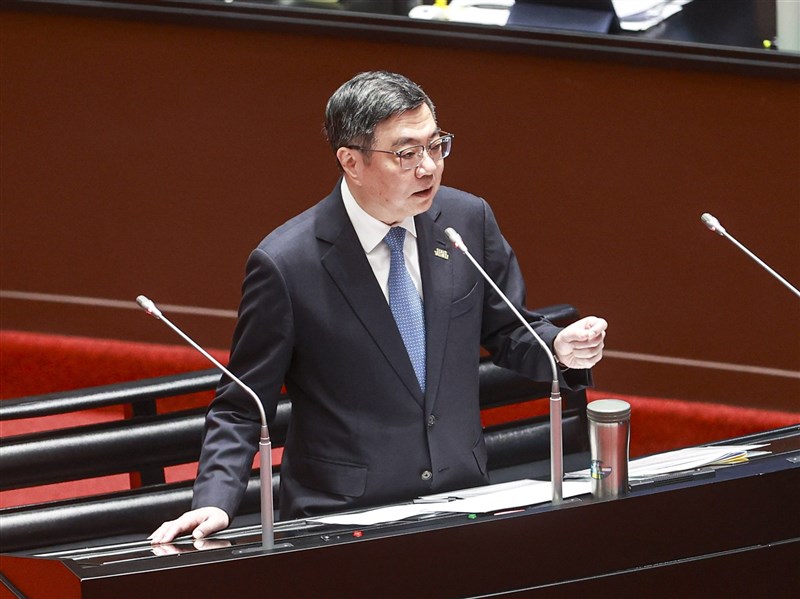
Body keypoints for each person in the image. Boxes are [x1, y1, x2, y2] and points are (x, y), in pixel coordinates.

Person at [149, 71, 607, 544]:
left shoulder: (466, 221)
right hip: (342, 520)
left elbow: (509, 328)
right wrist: (215, 500)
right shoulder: (287, 264)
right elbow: (244, 403)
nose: (428, 167)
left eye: (436, 146)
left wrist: (558, 346)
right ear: (351, 161)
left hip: (461, 500)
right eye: (407, 154)